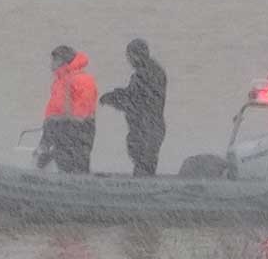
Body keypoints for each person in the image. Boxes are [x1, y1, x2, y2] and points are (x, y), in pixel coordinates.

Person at [99, 37, 168, 176]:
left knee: (143, 164)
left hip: (146, 127)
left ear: (136, 55)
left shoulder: (146, 74)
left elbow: (135, 100)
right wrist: (114, 96)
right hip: (149, 126)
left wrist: (112, 98)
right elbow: (133, 96)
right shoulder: (149, 72)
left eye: (129, 56)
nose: (128, 60)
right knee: (145, 164)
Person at [35, 45, 97, 173]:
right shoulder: (60, 81)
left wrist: (59, 124)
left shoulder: (82, 80)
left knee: (75, 167)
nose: (51, 64)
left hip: (77, 131)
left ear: (62, 61)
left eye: (54, 60)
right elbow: (55, 111)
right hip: (60, 131)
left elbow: (81, 115)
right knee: (59, 164)